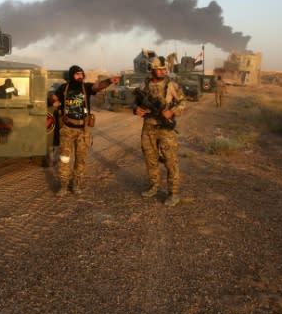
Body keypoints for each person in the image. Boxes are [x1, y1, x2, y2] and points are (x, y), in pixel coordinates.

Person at [50, 65, 120, 197]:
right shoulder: (63, 88)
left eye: (82, 74)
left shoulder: (86, 87)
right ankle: (63, 186)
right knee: (64, 159)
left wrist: (110, 81)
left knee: (80, 159)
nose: (80, 76)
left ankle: (76, 184)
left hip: (83, 130)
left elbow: (98, 87)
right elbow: (53, 97)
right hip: (67, 129)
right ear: (71, 75)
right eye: (77, 74)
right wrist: (54, 100)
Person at [133, 55, 186, 206]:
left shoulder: (171, 85)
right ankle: (154, 186)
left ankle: (173, 194)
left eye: (164, 69)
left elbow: (183, 102)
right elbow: (135, 102)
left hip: (165, 129)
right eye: (159, 69)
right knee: (150, 159)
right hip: (148, 127)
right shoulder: (145, 84)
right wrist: (136, 109)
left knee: (170, 161)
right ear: (152, 70)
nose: (163, 72)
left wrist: (172, 111)